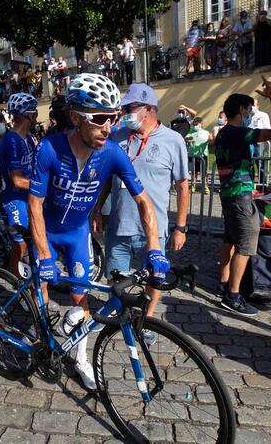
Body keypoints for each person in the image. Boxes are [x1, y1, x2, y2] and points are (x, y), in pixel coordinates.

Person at [28, 73, 169, 390]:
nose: (109, 126)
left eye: (114, 117)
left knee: (82, 296)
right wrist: (44, 254)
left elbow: (145, 203)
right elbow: (34, 204)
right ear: (76, 117)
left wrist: (155, 249)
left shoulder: (113, 153)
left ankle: (80, 357)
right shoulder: (49, 149)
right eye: (101, 118)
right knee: (43, 289)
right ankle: (43, 338)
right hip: (47, 232)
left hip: (77, 233)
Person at [92, 83, 188, 346]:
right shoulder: (118, 136)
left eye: (130, 108)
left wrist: (180, 227)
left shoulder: (173, 140)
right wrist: (98, 209)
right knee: (115, 277)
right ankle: (120, 314)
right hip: (120, 223)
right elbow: (106, 179)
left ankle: (146, 320)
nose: (125, 112)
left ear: (148, 109)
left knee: (154, 277)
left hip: (153, 230)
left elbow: (182, 185)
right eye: (124, 108)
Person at [214, 77, 271, 315]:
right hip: (239, 196)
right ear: (242, 110)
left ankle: (223, 282)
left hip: (229, 193)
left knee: (229, 239)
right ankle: (233, 295)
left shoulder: (224, 133)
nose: (251, 113)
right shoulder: (237, 133)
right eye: (250, 109)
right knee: (245, 245)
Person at [0, 93, 38, 274]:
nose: (37, 116)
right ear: (26, 115)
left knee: (37, 238)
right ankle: (14, 276)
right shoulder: (11, 140)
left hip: (30, 195)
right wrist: (44, 186)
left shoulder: (29, 138)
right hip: (14, 198)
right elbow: (17, 181)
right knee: (20, 245)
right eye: (34, 113)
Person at [185, 117, 211, 194]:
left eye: (197, 124)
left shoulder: (205, 132)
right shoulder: (191, 132)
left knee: (204, 172)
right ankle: (193, 186)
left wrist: (210, 138)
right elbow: (186, 139)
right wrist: (192, 137)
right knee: (194, 171)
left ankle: (205, 186)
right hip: (194, 155)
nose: (195, 126)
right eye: (194, 124)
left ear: (201, 124)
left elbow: (209, 138)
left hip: (203, 155)